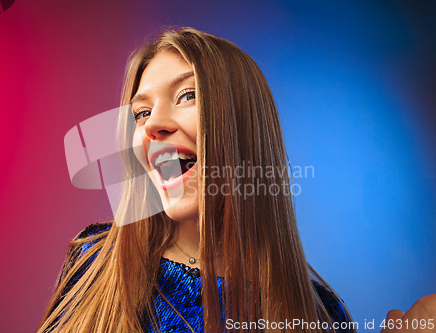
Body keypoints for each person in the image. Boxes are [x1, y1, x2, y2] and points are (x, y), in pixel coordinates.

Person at [37, 28, 435, 333]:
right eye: (140, 113)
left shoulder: (319, 311)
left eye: (187, 95)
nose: (152, 125)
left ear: (243, 128)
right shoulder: (94, 265)